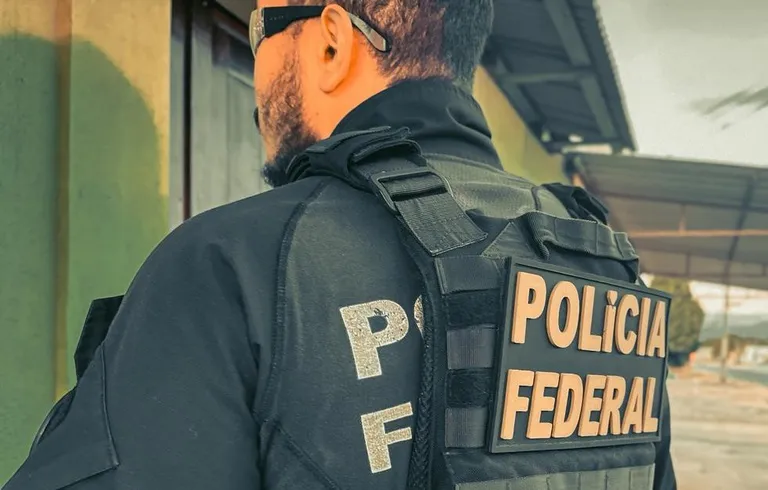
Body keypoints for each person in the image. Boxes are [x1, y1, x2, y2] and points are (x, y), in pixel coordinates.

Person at [3, 1, 677, 489]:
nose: (257, 72)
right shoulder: (604, 270)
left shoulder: (237, 259)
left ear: (332, 42)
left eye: (260, 28)